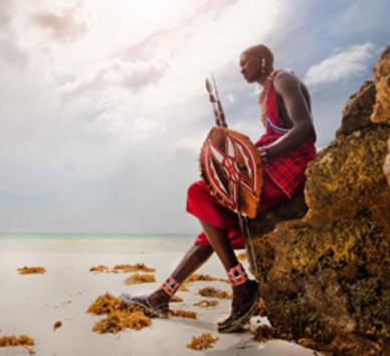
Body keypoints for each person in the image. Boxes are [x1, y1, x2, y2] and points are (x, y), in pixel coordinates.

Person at [123, 44, 317, 332]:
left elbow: (305, 130)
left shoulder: (283, 80)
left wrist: (263, 155)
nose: (241, 69)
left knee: (198, 193)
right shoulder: (265, 92)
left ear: (262, 60)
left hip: (286, 170)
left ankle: (241, 286)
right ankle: (161, 297)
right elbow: (271, 137)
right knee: (212, 228)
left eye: (245, 62)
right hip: (270, 167)